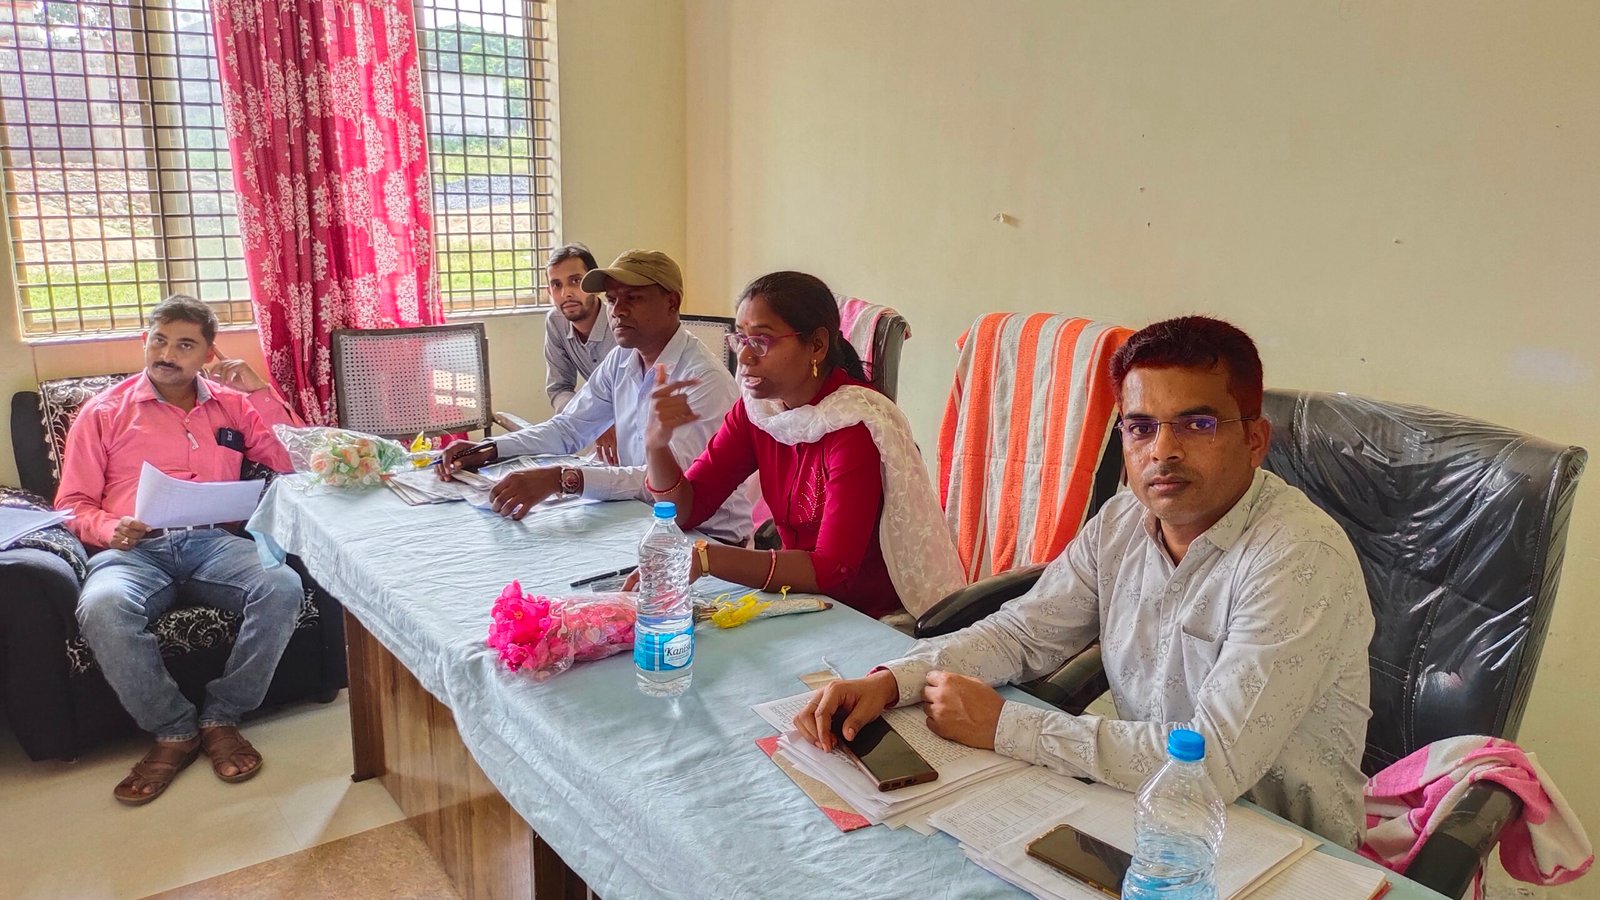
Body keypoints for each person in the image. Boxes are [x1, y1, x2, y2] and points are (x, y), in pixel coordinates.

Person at [794, 316, 1376, 848]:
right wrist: (893, 681)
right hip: (1144, 809)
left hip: (1283, 846)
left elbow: (1215, 762)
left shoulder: (1299, 556)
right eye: (1140, 427)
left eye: (1197, 424)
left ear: (1254, 441)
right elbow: (1024, 634)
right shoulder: (1123, 519)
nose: (1163, 451)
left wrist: (1005, 726)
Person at [56, 295, 306, 805]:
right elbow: (71, 504)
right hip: (133, 551)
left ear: (209, 354)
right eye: (159, 341)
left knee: (282, 585)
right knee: (103, 606)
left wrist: (260, 393)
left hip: (214, 543)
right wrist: (109, 527)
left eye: (185, 345)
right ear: (145, 342)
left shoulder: (233, 405)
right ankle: (174, 729)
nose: (167, 354)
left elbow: (295, 460)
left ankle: (222, 716)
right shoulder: (103, 412)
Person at [637, 271, 963, 620]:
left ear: (817, 345)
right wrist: (656, 445)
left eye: (761, 340)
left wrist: (707, 559)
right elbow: (686, 509)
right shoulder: (760, 411)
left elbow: (832, 570)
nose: (744, 357)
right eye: (741, 339)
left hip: (867, 616)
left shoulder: (854, 425)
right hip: (802, 599)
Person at [439, 249, 753, 544]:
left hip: (705, 538)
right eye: (612, 300)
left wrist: (563, 479)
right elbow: (569, 428)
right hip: (639, 520)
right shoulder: (623, 358)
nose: (617, 311)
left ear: (672, 302)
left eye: (633, 298)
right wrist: (490, 449)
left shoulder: (701, 380)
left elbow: (671, 489)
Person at [542, 243, 619, 464]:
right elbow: (559, 389)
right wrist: (592, 420)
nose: (566, 293)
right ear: (549, 292)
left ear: (595, 285)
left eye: (575, 281)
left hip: (646, 427)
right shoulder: (555, 322)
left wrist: (602, 422)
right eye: (556, 285)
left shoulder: (621, 322)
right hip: (600, 434)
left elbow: (643, 394)